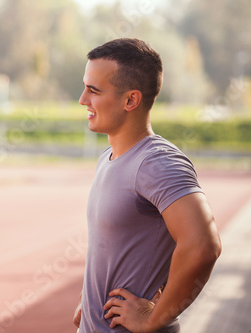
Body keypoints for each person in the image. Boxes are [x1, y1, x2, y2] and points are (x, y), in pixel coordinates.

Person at [72, 38, 222, 332]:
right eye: (85, 86)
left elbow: (203, 246)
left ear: (131, 100)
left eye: (94, 90)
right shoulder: (110, 156)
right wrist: (88, 299)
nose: (82, 99)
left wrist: (153, 319)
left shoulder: (157, 163)